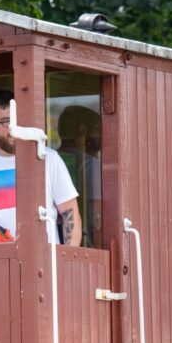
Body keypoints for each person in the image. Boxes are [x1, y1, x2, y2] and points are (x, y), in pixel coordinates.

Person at [0, 90, 82, 245]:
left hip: (43, 260)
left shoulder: (49, 158)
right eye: (6, 122)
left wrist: (65, 263)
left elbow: (70, 213)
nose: (13, 129)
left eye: (17, 121)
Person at [57, 105, 101, 247]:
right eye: (98, 129)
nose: (102, 134)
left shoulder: (49, 160)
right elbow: (96, 218)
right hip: (83, 243)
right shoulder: (91, 165)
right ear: (83, 130)